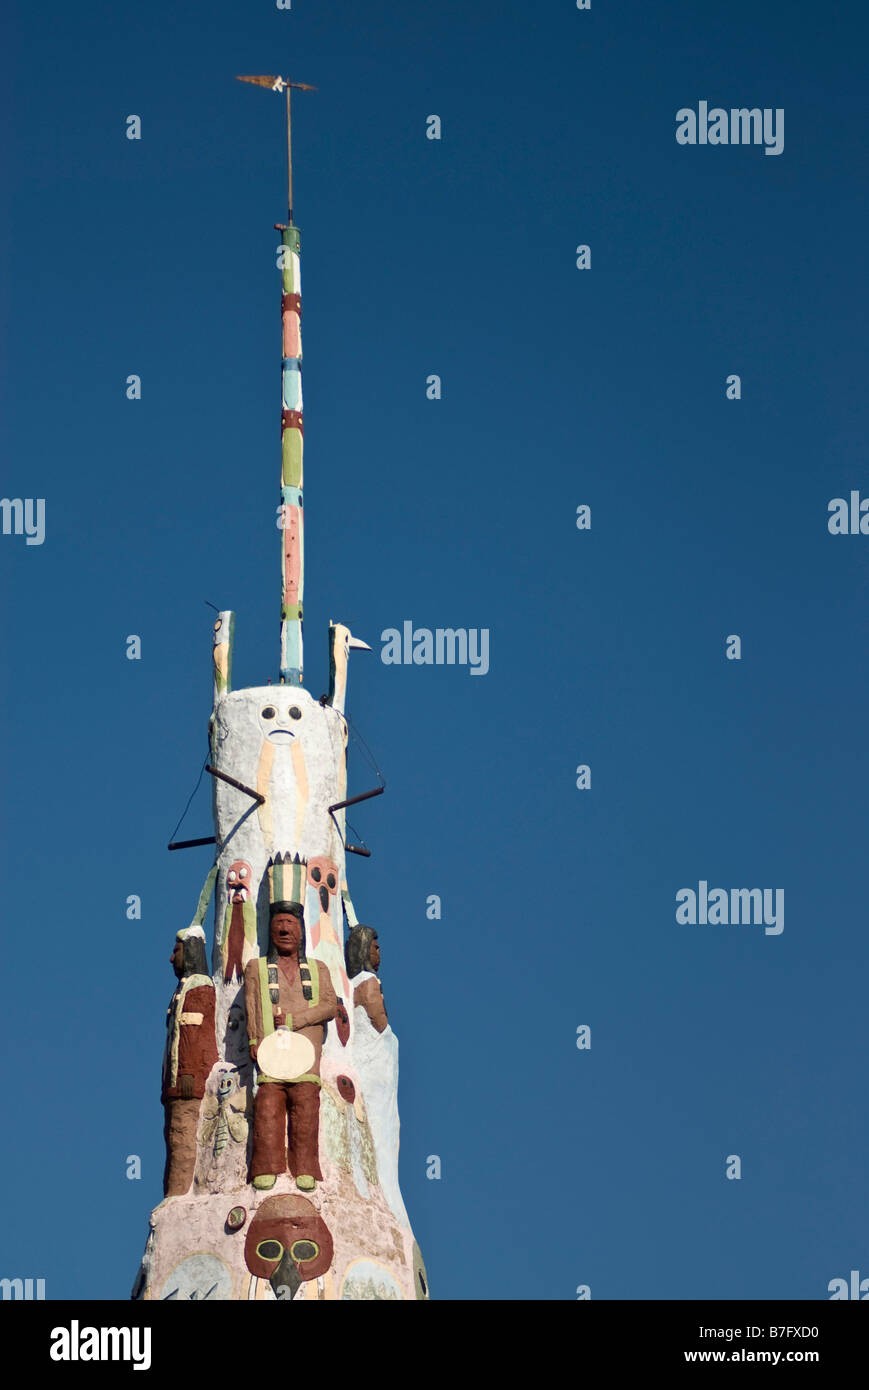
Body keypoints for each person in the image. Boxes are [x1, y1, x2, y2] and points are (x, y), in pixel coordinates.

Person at [245, 901, 337, 1191]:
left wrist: (295, 1019)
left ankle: (305, 1167)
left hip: (306, 1053)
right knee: (268, 1102)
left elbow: (330, 1006)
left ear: (301, 931)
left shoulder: (317, 968)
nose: (284, 929)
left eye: (291, 924)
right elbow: (252, 1006)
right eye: (279, 923)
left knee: (306, 1104)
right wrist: (253, 1039)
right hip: (271, 1053)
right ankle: (266, 1165)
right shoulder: (256, 968)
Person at [345, 925, 409, 1226]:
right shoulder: (368, 982)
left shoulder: (351, 984)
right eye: (374, 946)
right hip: (374, 1065)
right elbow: (379, 1021)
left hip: (369, 1062)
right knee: (380, 1123)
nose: (379, 951)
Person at [161, 925, 218, 1197]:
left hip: (188, 1080)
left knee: (182, 1135)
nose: (173, 958)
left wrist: (188, 1072)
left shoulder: (200, 987)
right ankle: (175, 1191)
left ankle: (180, 1191)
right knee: (172, 1136)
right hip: (173, 1082)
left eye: (177, 951)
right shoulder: (181, 989)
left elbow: (195, 1034)